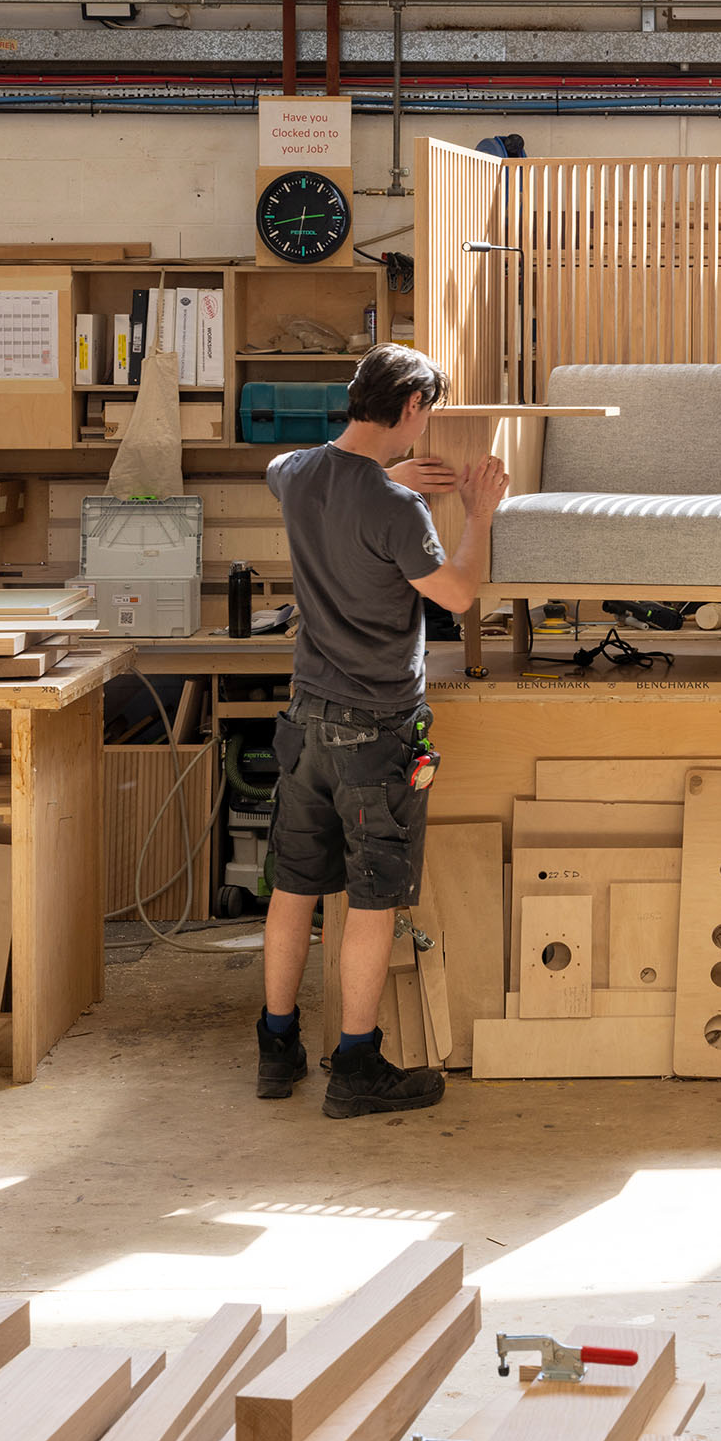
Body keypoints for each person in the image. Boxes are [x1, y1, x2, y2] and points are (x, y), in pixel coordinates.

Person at [255, 343, 508, 1115]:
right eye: (423, 414)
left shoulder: (294, 474)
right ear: (410, 409)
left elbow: (314, 478)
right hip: (376, 731)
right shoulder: (397, 510)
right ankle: (357, 1068)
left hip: (305, 722)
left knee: (295, 888)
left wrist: (381, 478)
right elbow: (457, 594)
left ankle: (276, 1048)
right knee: (372, 897)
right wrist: (479, 516)